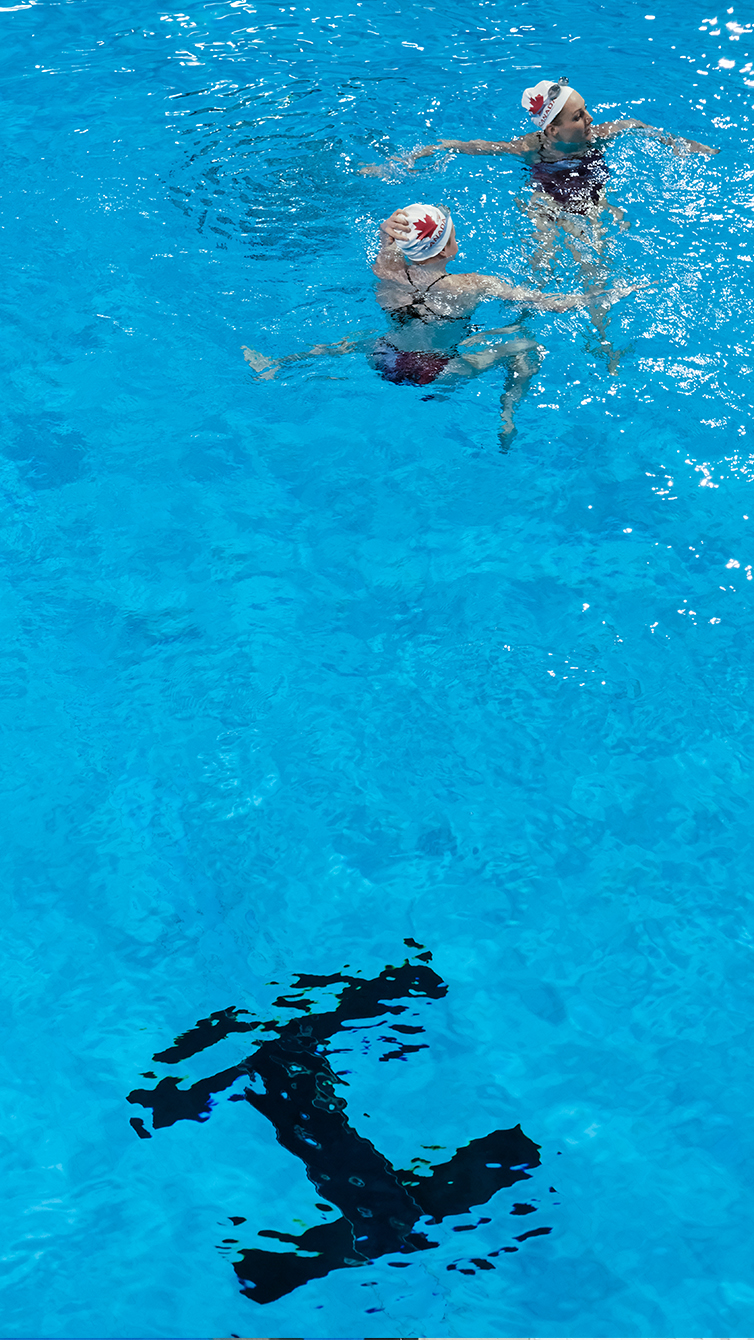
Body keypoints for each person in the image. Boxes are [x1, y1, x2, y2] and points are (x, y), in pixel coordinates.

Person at [243, 201, 641, 442]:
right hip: (437, 373)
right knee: (525, 346)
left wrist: (389, 234)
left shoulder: (388, 272)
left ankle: (278, 367)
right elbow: (545, 303)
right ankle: (507, 414)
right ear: (450, 245)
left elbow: (387, 247)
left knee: (354, 341)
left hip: (385, 359)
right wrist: (608, 295)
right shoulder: (471, 285)